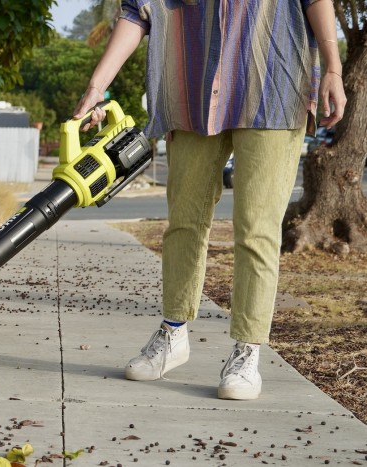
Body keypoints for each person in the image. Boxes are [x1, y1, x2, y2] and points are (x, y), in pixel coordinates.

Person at [73, 0, 346, 400]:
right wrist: (96, 87)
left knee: (256, 228)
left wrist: (333, 68)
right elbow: (136, 12)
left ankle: (247, 351)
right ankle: (173, 334)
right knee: (183, 221)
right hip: (191, 92)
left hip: (273, 84)